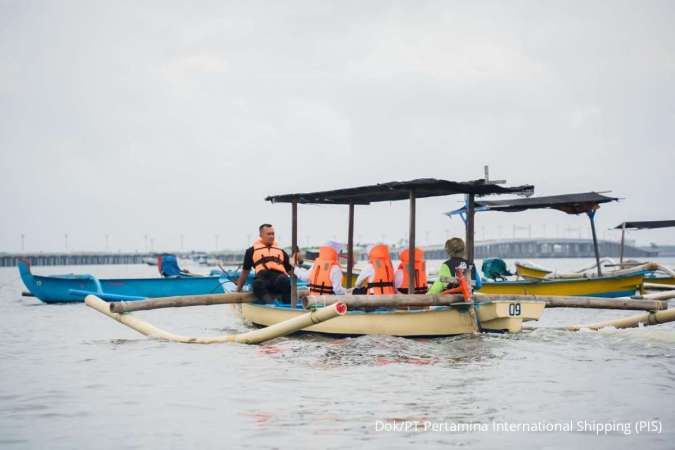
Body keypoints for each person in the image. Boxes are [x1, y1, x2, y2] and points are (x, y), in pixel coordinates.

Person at [236, 224, 298, 303]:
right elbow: (245, 272)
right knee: (257, 284)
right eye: (269, 234)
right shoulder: (251, 251)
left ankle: (289, 306)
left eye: (273, 234)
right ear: (261, 235)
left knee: (284, 280)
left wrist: (300, 279)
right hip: (263, 280)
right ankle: (270, 304)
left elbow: (291, 271)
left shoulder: (280, 251)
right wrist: (238, 290)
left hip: (278, 280)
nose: (272, 236)